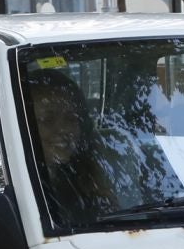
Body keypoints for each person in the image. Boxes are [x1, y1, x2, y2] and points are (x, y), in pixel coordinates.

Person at [22, 69, 116, 229]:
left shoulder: (90, 177)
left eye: (71, 118)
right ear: (24, 125)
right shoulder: (16, 186)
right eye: (47, 120)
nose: (63, 129)